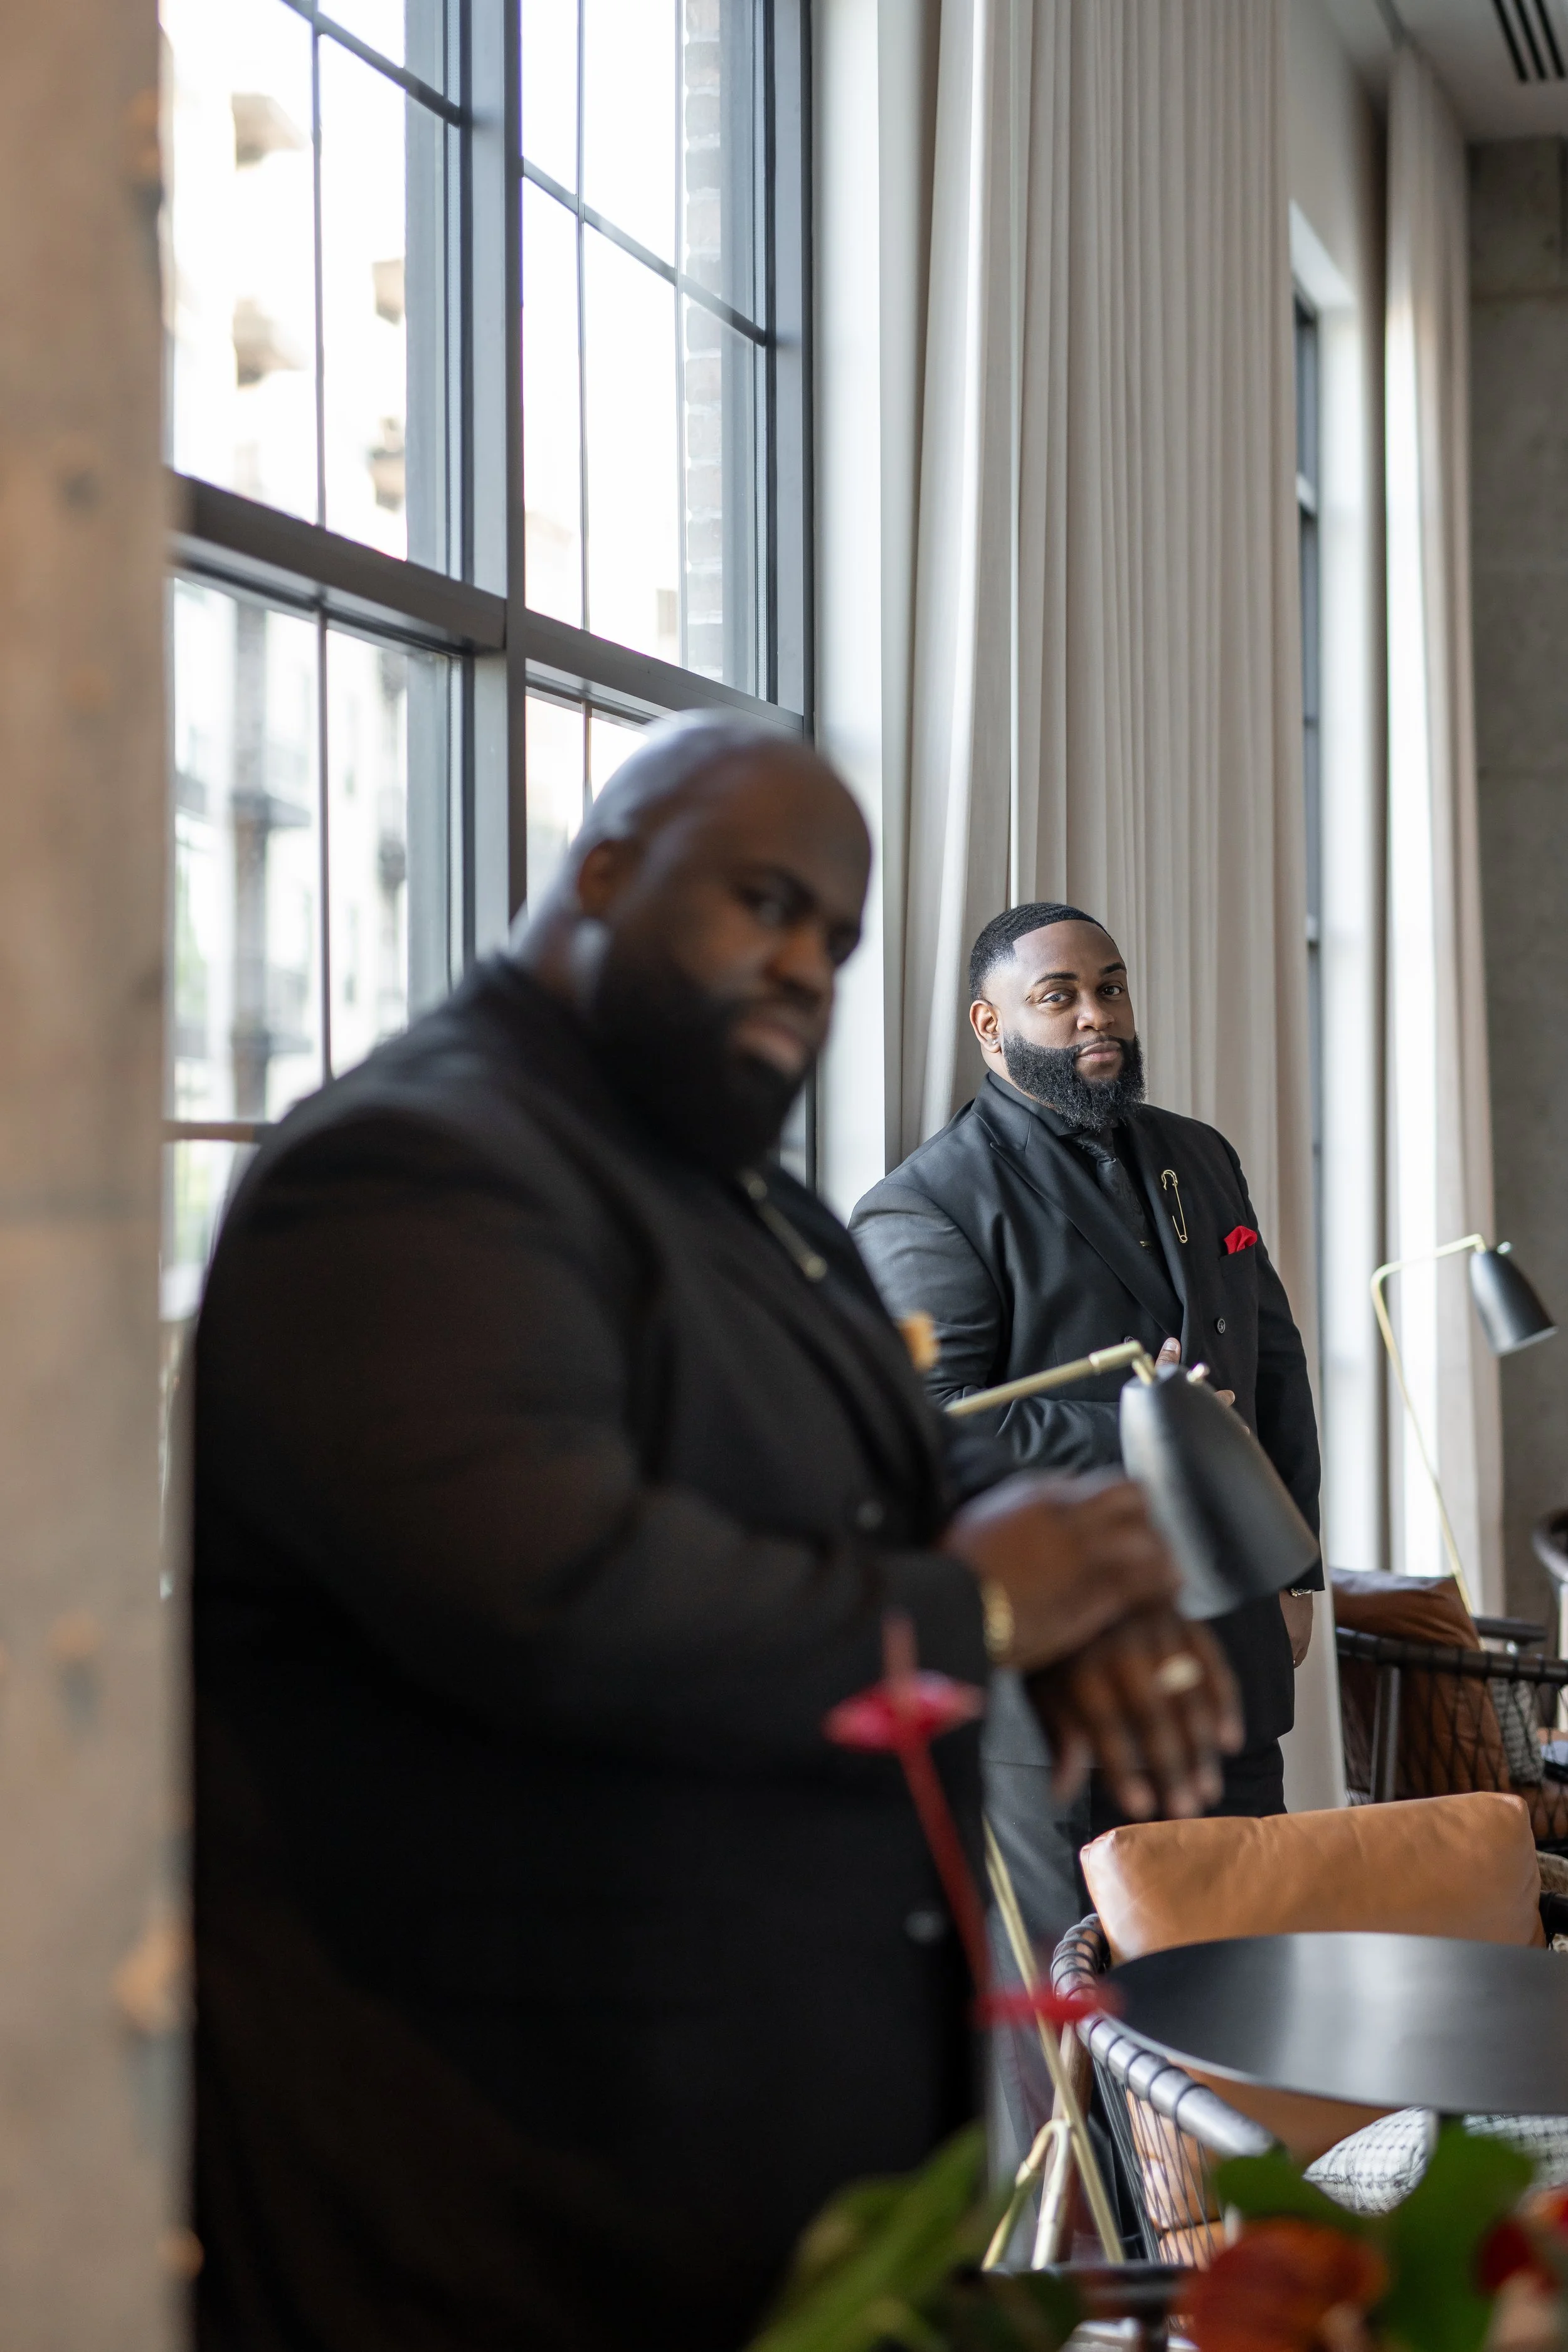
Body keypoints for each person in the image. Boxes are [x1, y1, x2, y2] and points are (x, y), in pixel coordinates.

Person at [191, 738, 1240, 2352]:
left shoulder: (734, 1198)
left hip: (755, 2179)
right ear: (602, 869)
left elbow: (901, 1454)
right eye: (761, 902)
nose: (799, 966)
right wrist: (976, 1603)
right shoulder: (409, 1165)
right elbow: (568, 1599)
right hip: (504, 2187)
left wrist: (1064, 1555)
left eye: (831, 938)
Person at [852, 899, 1322, 1846]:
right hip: (1066, 1681)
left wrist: (1297, 1567)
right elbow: (933, 1425)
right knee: (1092, 1981)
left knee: (1251, 1961)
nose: (1095, 1014)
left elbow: (1272, 1359)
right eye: (1057, 996)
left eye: (1110, 988)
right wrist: (1150, 1427)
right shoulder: (926, 1205)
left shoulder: (1202, 1153)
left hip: (1234, 1652)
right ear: (993, 1026)